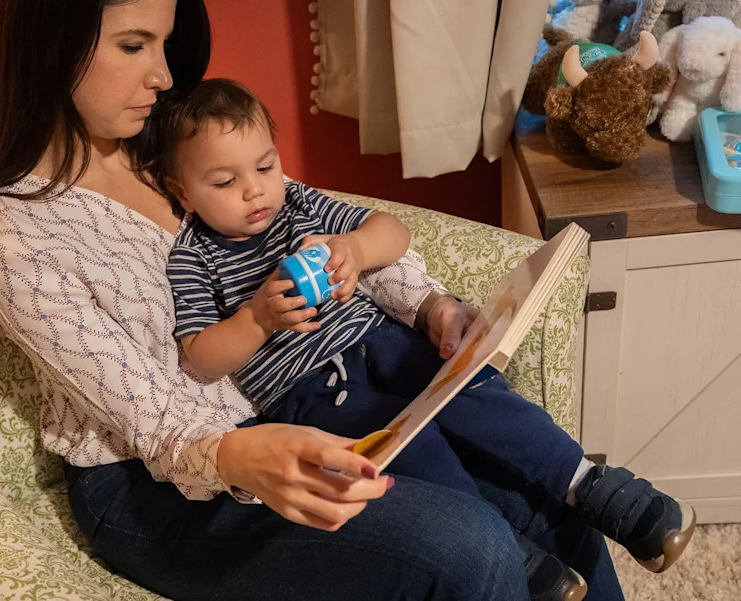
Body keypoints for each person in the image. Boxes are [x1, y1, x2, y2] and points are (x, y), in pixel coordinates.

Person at [0, 0, 627, 599]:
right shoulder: (23, 238)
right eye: (134, 45)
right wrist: (235, 454)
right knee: (471, 545)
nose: (163, 76)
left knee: (548, 493)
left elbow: (309, 218)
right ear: (49, 44)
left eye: (163, 45)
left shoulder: (162, 138)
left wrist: (428, 304)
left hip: (295, 402)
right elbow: (154, 416)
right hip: (151, 479)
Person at [159, 77, 697, 595]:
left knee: (480, 394)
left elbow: (393, 231)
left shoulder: (298, 203)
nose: (254, 189)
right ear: (182, 192)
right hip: (313, 393)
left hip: (384, 341)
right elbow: (201, 357)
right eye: (225, 182)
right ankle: (513, 557)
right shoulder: (192, 256)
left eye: (264, 165)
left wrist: (357, 249)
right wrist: (256, 319)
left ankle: (595, 486)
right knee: (416, 461)